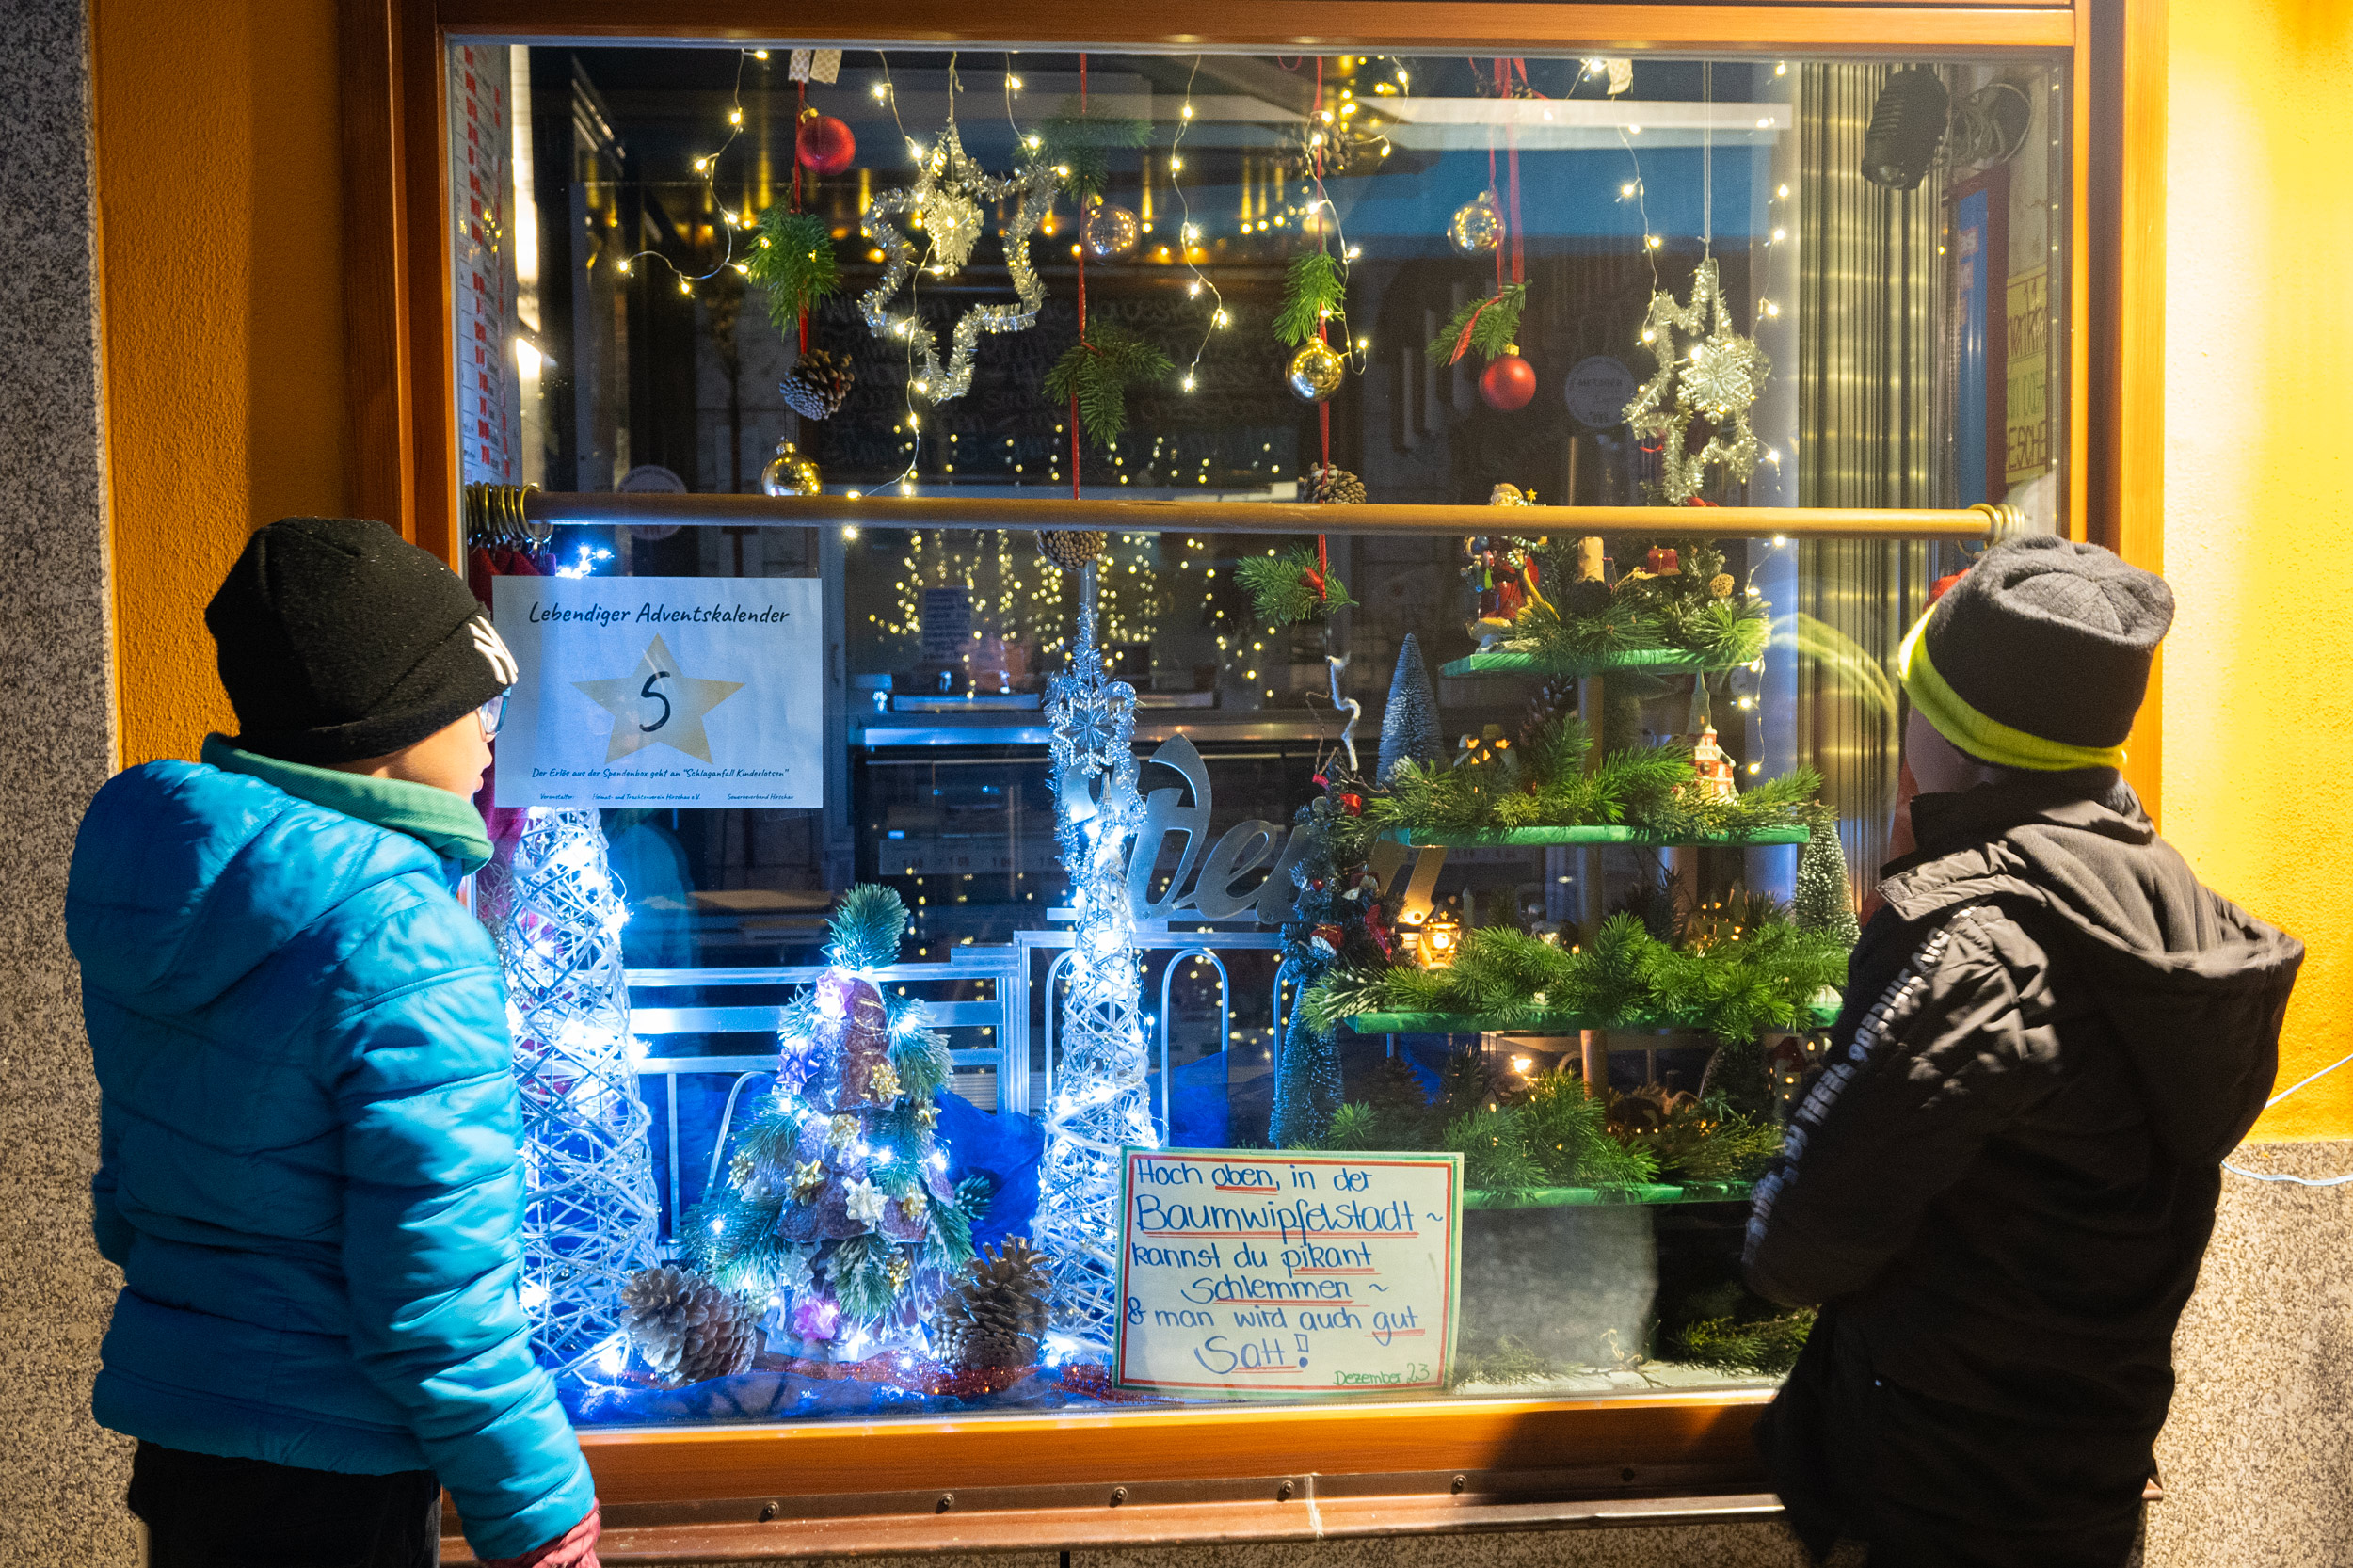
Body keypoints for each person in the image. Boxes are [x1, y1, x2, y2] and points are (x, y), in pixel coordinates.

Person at [1745, 536, 2302, 1568]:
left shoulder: (1976, 943)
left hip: (1943, 1497)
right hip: (2084, 1482)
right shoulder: (2164, 902)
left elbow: (1798, 1242)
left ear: (1953, 736)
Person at [68, 517, 600, 1568]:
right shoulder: (403, 938)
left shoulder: (170, 885)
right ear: (395, 724)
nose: (494, 732)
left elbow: (130, 1196)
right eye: (474, 702)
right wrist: (543, 1523)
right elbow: (438, 1295)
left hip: (188, 1443)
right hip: (337, 1469)